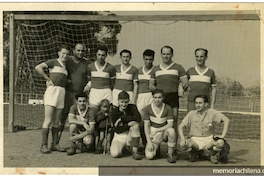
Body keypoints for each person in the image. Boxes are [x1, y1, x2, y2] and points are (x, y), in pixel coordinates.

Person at [149, 46, 188, 157]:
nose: (166, 56)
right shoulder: (156, 69)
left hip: (173, 97)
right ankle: (157, 146)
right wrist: (158, 93)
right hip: (160, 98)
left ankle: (173, 148)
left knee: (173, 122)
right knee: (158, 121)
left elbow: (186, 82)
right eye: (164, 54)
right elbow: (151, 85)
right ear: (161, 55)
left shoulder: (178, 67)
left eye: (168, 54)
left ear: (172, 54)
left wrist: (180, 85)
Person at [35, 44, 70, 154]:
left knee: (56, 121)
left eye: (67, 54)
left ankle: (54, 144)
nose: (65, 55)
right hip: (52, 91)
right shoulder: (53, 62)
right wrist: (47, 79)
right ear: (59, 53)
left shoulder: (66, 67)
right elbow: (38, 68)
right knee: (48, 120)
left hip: (61, 92)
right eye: (63, 53)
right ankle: (43, 145)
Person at [178, 95, 230, 164]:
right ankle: (194, 152)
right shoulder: (191, 113)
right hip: (195, 140)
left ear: (206, 104)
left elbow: (226, 120)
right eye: (196, 103)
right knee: (182, 144)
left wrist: (223, 135)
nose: (198, 105)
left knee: (220, 143)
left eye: (200, 103)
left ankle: (211, 154)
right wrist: (182, 138)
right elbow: (180, 126)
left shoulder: (211, 112)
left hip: (208, 140)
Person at [58, 43, 91, 144]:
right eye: (78, 50)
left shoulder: (87, 64)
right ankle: (55, 143)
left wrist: (88, 86)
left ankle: (77, 143)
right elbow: (58, 70)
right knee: (62, 118)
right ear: (74, 51)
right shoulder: (67, 60)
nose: (80, 53)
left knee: (79, 120)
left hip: (80, 97)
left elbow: (93, 77)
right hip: (67, 94)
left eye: (82, 51)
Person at [142, 89, 177, 163]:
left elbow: (170, 124)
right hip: (154, 135)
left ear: (163, 97)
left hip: (163, 133)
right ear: (152, 97)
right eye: (155, 97)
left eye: (159, 97)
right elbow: (146, 126)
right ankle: (156, 149)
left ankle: (170, 154)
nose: (157, 100)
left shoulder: (167, 108)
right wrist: (149, 142)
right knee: (149, 156)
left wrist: (157, 130)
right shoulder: (148, 108)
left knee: (171, 131)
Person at [110, 91, 143, 160]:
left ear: (129, 101)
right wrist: (127, 124)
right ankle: (124, 148)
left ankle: (135, 152)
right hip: (120, 136)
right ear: (118, 101)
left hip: (130, 135)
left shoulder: (132, 107)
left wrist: (122, 119)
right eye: (122, 102)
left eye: (126, 102)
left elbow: (138, 118)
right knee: (115, 154)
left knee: (135, 125)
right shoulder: (114, 112)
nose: (124, 104)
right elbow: (117, 129)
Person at [186, 48, 216, 112]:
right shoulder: (190, 71)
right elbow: (182, 81)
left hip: (205, 103)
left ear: (206, 57)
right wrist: (180, 87)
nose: (199, 59)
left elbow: (214, 89)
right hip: (192, 103)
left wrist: (212, 104)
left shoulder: (211, 72)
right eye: (197, 56)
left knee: (206, 121)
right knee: (191, 121)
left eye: (201, 56)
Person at [136, 49, 155, 151]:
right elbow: (135, 85)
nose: (148, 62)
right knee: (141, 122)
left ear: (153, 59)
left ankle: (152, 144)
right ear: (143, 58)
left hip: (151, 97)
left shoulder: (156, 70)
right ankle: (144, 144)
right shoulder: (138, 70)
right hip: (141, 97)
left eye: (150, 59)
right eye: (146, 59)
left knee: (152, 122)